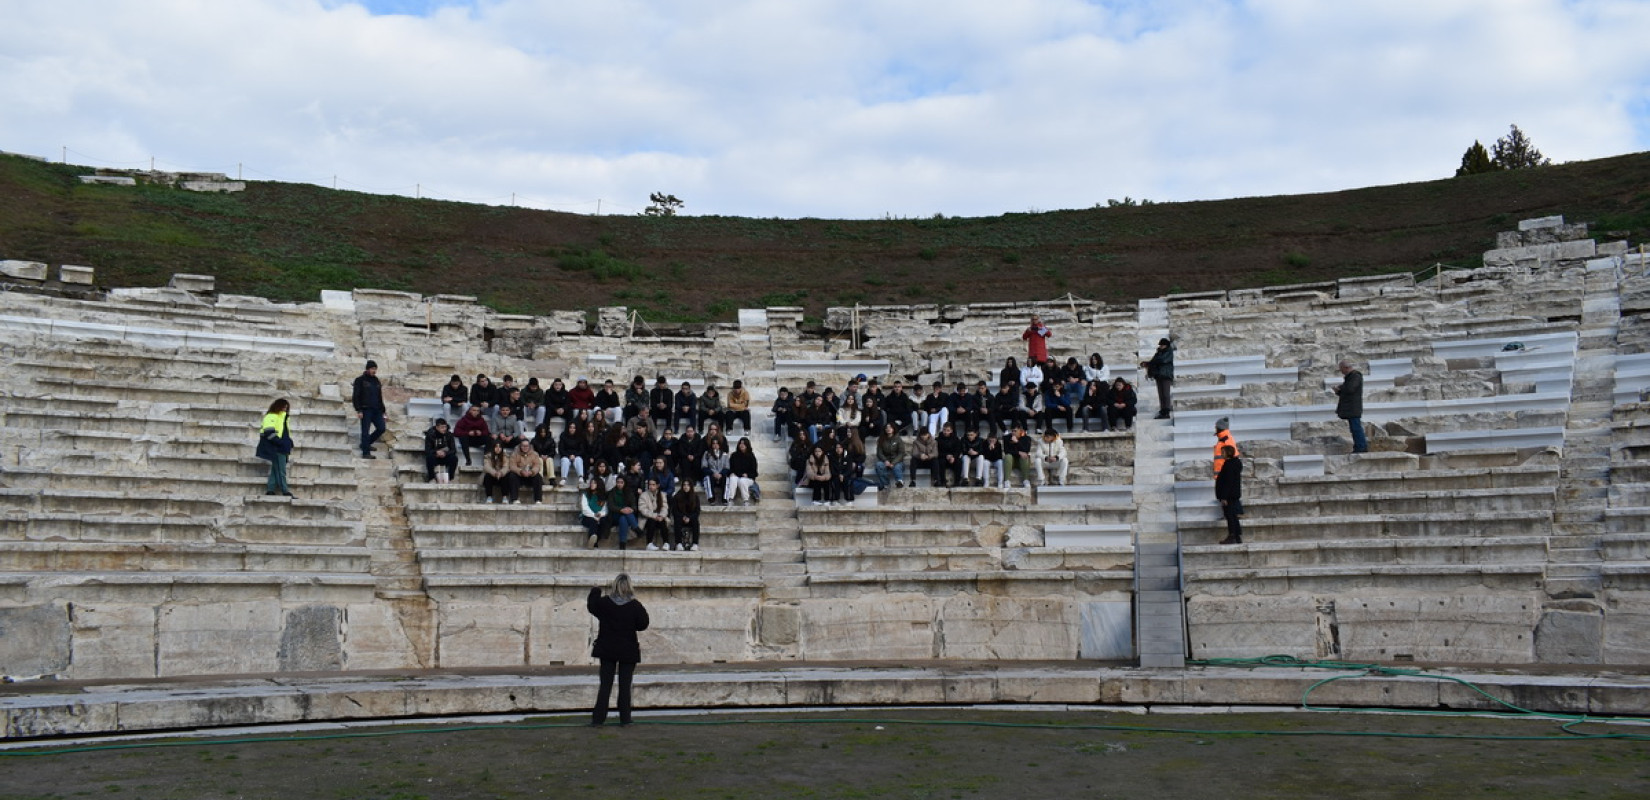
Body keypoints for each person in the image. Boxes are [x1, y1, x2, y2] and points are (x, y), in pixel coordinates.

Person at [588, 573, 650, 727]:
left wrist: (596, 590)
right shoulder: (635, 605)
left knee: (605, 685)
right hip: (627, 650)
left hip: (607, 648)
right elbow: (643, 624)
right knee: (625, 685)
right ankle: (625, 718)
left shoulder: (605, 603)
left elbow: (592, 606)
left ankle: (598, 719)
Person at [256, 398, 295, 497]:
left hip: (283, 447)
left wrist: (289, 442)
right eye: (283, 406)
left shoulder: (285, 419)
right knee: (281, 470)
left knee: (275, 469)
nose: (285, 409)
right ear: (277, 406)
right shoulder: (271, 416)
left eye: (286, 407)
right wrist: (280, 442)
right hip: (277, 447)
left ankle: (270, 489)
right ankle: (285, 491)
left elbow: (285, 432)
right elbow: (268, 432)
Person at [351, 359, 387, 459]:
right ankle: (365, 453)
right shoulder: (360, 380)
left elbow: (379, 397)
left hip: (377, 410)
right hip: (365, 410)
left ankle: (365, 444)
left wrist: (383, 411)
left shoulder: (376, 381)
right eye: (372, 368)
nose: (374, 371)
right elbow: (356, 396)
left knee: (381, 428)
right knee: (365, 431)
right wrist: (358, 410)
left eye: (375, 369)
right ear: (367, 369)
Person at [1335, 360, 1367, 453]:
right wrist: (1339, 391)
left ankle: (1361, 447)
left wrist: (1340, 387)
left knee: (1356, 428)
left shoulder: (1355, 376)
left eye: (1341, 369)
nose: (1341, 372)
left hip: (1353, 407)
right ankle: (1359, 446)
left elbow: (1351, 389)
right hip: (1351, 407)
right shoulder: (1351, 377)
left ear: (1346, 368)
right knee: (1354, 428)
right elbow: (1348, 391)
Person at [1215, 445, 1244, 545]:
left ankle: (1232, 535)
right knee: (1233, 516)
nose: (1221, 454)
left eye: (1223, 452)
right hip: (1233, 494)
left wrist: (1224, 496)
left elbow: (1228, 482)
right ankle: (1237, 536)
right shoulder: (1234, 463)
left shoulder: (1229, 465)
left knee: (1230, 516)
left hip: (1229, 496)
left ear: (1228, 453)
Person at [1143, 338, 1175, 419]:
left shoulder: (1169, 352)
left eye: (1162, 345)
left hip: (1166, 375)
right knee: (1161, 394)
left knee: (1165, 394)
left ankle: (1166, 410)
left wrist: (1152, 362)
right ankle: (1162, 410)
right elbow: (1154, 361)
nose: (1161, 346)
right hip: (1158, 375)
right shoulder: (1159, 353)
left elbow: (1163, 360)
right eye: (1160, 345)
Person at [507, 439, 545, 504]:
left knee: (538, 477)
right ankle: (514, 499)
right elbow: (512, 466)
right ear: (520, 446)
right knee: (512, 476)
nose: (525, 447)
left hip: (530, 475)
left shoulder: (535, 454)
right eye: (523, 446)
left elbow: (537, 466)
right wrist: (520, 471)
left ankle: (538, 500)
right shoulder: (514, 454)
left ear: (529, 446)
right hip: (519, 476)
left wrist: (532, 472)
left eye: (527, 446)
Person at [638, 478, 671, 550]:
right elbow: (643, 509)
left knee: (663, 521)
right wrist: (654, 516)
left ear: (657, 485)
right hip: (647, 519)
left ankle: (666, 543)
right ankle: (649, 544)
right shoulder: (643, 495)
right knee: (651, 521)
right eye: (650, 484)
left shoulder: (662, 495)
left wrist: (661, 516)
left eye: (653, 485)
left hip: (659, 518)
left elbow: (665, 507)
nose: (651, 486)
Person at [873, 423, 907, 490]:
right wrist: (885, 460)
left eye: (890, 427)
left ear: (893, 429)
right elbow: (879, 453)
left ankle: (899, 481)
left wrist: (893, 463)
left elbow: (901, 453)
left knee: (897, 467)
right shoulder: (881, 440)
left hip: (897, 461)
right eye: (887, 428)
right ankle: (886, 484)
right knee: (878, 465)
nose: (888, 429)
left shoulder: (898, 439)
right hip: (886, 461)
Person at [424, 417, 458, 483]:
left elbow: (453, 450)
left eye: (445, 427)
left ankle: (450, 478)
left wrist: (445, 453)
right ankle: (432, 478)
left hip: (445, 456)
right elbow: (427, 450)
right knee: (429, 458)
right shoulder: (430, 435)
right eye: (442, 427)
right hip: (435, 456)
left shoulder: (449, 435)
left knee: (454, 458)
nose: (444, 429)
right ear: (437, 427)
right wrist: (436, 452)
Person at [671, 481, 702, 551]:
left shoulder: (695, 497)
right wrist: (683, 517)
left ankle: (695, 544)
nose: (686, 487)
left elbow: (697, 511)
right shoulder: (677, 496)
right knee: (677, 521)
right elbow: (675, 511)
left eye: (688, 485)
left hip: (691, 518)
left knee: (695, 522)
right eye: (684, 485)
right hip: (680, 517)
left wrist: (689, 518)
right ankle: (678, 543)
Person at [728, 437, 759, 505]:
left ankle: (746, 500)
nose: (742, 445)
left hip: (747, 478)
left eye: (744, 444)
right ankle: (730, 499)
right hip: (736, 475)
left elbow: (754, 472)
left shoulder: (751, 456)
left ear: (747, 445)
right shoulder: (734, 455)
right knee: (732, 479)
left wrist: (747, 475)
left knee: (742, 481)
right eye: (740, 443)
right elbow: (731, 468)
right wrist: (732, 473)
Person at [701, 439, 732, 505]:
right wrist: (712, 473)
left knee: (727, 479)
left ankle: (725, 498)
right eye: (713, 443)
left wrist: (721, 474)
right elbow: (704, 466)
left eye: (717, 443)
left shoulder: (724, 454)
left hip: (721, 475)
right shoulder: (707, 453)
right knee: (707, 479)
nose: (715, 445)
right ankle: (711, 498)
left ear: (719, 445)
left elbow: (727, 467)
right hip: (711, 474)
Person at [935, 422, 965, 488]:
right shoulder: (938, 439)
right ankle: (942, 481)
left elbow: (958, 450)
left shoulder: (955, 439)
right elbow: (937, 452)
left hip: (953, 458)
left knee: (959, 462)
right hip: (943, 457)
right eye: (944, 430)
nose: (945, 432)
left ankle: (957, 482)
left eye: (948, 430)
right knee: (940, 462)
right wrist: (946, 456)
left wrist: (953, 457)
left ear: (951, 431)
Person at [580, 479, 608, 548]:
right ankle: (592, 541)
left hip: (599, 516)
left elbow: (606, 509)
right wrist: (594, 515)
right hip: (587, 517)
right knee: (593, 522)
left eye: (594, 483)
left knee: (604, 521)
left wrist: (601, 514)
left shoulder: (604, 497)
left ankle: (596, 540)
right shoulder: (586, 495)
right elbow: (585, 509)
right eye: (591, 483)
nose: (592, 484)